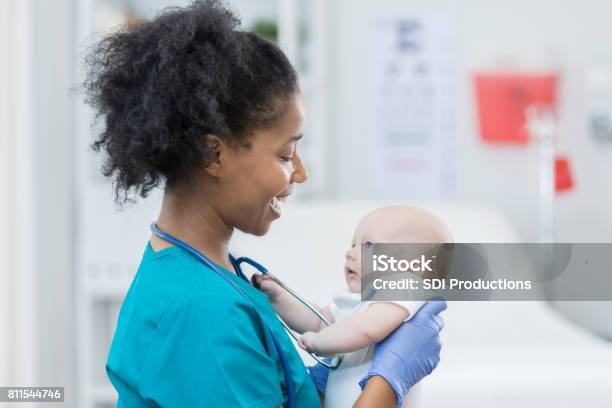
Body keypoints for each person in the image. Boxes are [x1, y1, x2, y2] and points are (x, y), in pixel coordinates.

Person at [83, 1, 446, 406]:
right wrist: (388, 381)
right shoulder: (200, 314)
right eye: (285, 155)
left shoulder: (208, 276)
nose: (301, 174)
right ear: (213, 155)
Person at [255, 206, 451, 407]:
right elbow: (318, 321)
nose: (350, 253)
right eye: (353, 244)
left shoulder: (407, 291)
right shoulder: (357, 302)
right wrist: (279, 297)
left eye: (367, 244)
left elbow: (367, 328)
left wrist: (318, 343)